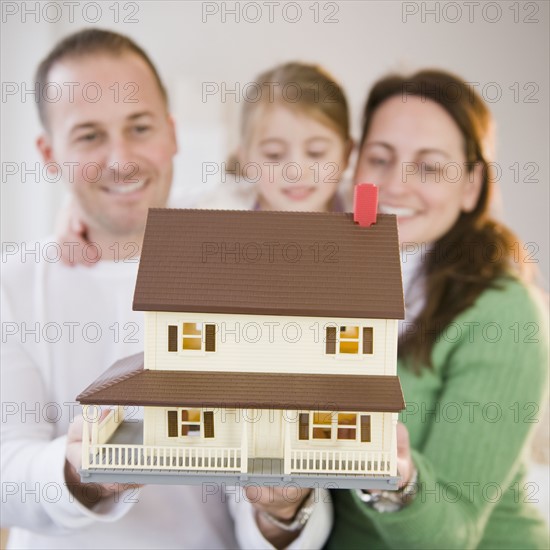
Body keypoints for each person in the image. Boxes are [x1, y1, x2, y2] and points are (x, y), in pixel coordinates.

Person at [0, 29, 332, 550]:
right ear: (48, 153)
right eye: (89, 136)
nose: (121, 159)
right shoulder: (12, 285)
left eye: (139, 127)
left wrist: (284, 509)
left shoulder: (241, 267)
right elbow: (5, 470)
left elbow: (278, 489)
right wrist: (79, 470)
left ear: (172, 134)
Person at [324, 70, 549, 549]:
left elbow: (452, 538)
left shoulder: (503, 313)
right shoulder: (332, 279)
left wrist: (399, 482)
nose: (396, 185)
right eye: (380, 159)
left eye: (429, 168)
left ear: (471, 186)